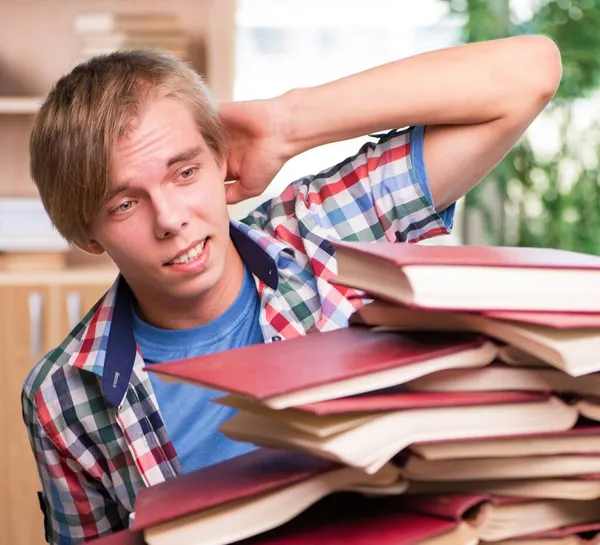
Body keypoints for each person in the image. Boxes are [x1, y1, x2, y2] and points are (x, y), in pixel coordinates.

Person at [22, 34, 561, 544]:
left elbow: (530, 73)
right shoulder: (61, 395)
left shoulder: (325, 230)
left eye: (185, 173)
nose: (171, 220)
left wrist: (284, 123)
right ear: (86, 234)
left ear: (221, 160)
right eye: (124, 204)